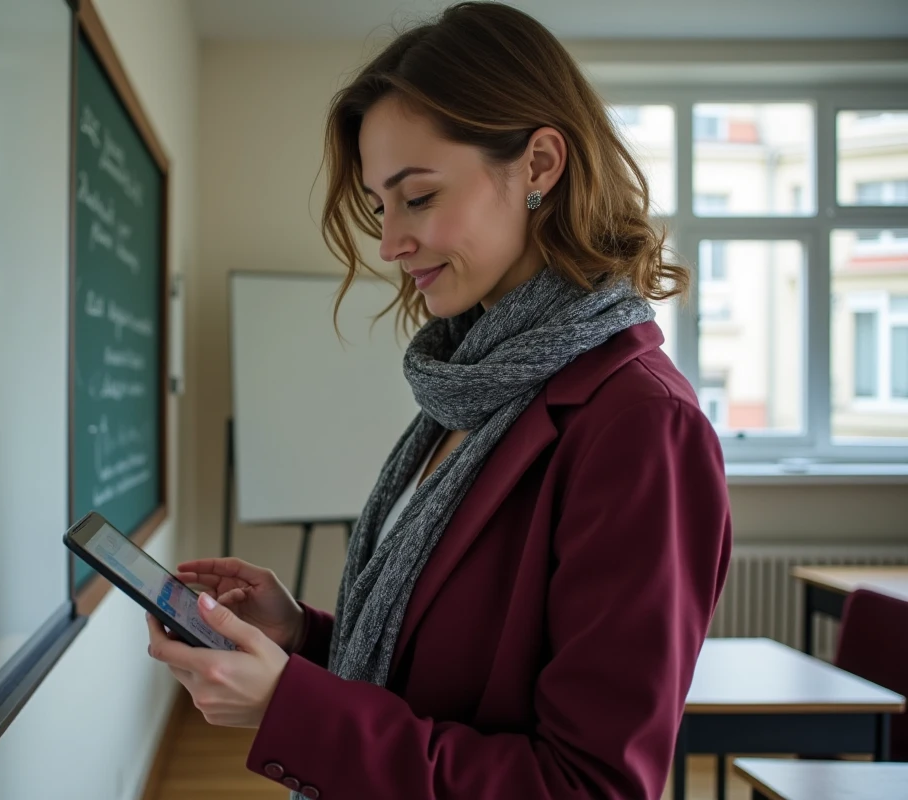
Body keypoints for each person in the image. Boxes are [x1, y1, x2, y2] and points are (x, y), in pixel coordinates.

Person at [145, 3, 732, 798]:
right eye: (379, 207)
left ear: (539, 165)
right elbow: (442, 674)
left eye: (417, 197)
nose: (389, 243)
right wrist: (303, 639)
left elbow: (587, 786)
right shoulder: (474, 384)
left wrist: (292, 708)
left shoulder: (641, 424)